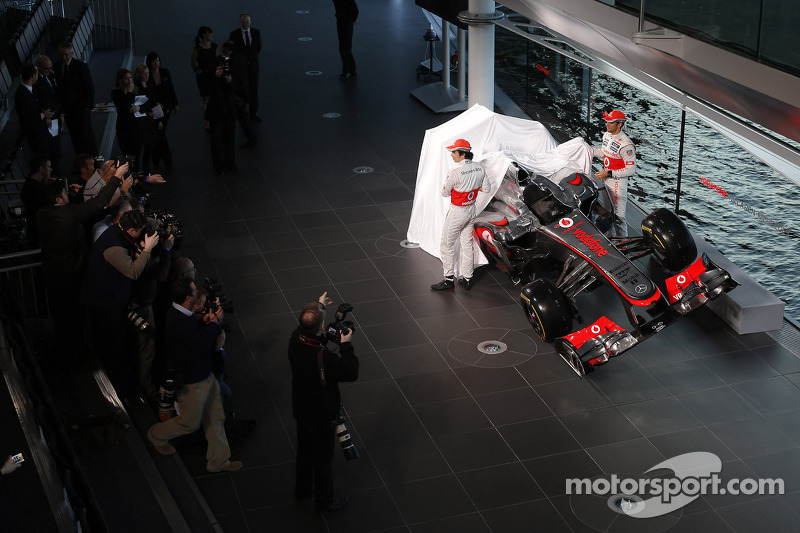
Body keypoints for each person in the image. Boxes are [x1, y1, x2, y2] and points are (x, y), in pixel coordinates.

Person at [147, 277, 243, 474]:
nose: (196, 292)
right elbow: (199, 346)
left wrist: (204, 322)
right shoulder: (179, 320)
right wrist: (215, 325)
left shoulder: (179, 312)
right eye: (193, 290)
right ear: (188, 297)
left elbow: (191, 338)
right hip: (193, 381)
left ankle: (218, 461)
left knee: (215, 418)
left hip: (203, 374)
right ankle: (155, 435)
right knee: (189, 423)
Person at [36, 166, 129, 360]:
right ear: (59, 200)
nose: (67, 194)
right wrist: (116, 178)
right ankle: (78, 355)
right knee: (74, 318)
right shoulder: (67, 215)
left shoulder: (42, 214)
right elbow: (100, 202)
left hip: (52, 275)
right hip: (71, 276)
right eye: (64, 193)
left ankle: (68, 350)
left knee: (62, 318)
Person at [289, 292, 359, 513]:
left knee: (304, 451)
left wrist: (319, 306)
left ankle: (302, 490)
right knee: (322, 459)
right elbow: (350, 372)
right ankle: (324, 501)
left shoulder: (295, 338)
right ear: (321, 328)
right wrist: (346, 345)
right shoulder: (323, 357)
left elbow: (308, 327)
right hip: (321, 414)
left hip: (301, 407)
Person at [81, 209, 159, 401]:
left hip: (112, 300)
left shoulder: (119, 230)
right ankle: (124, 392)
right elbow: (132, 272)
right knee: (115, 349)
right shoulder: (113, 246)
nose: (142, 235)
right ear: (131, 230)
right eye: (140, 231)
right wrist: (147, 249)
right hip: (105, 306)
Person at [431, 139, 490, 291]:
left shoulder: (455, 173)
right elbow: (487, 189)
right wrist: (471, 189)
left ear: (462, 154)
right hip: (471, 210)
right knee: (467, 244)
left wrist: (459, 189)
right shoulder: (479, 168)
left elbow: (444, 193)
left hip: (457, 212)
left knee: (446, 244)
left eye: (454, 152)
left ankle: (449, 280)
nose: (451, 155)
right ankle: (467, 279)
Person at [590, 109, 636, 237]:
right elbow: (605, 153)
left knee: (619, 217)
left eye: (610, 122)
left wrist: (608, 174)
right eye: (606, 122)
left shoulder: (626, 145)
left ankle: (624, 244)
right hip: (607, 180)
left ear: (619, 124)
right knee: (607, 213)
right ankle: (611, 239)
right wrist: (589, 150)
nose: (607, 124)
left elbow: (631, 170)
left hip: (618, 184)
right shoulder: (606, 135)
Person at [55, 41, 97, 155]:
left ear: (71, 53)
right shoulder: (57, 67)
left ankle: (94, 162)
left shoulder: (80, 66)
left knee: (87, 137)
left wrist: (88, 107)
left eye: (66, 55)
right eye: (61, 55)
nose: (63, 57)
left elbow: (89, 87)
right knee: (75, 137)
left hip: (81, 108)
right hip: (68, 110)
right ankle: (81, 162)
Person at [14, 63, 55, 159]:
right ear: (33, 76)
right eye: (37, 74)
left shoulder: (28, 90)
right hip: (34, 135)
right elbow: (28, 119)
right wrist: (43, 115)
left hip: (38, 130)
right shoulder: (22, 96)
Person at [221, 40, 257, 148]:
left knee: (240, 117)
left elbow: (232, 76)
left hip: (236, 92)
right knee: (243, 116)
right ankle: (251, 137)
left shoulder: (231, 60)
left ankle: (251, 137)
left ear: (227, 49)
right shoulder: (240, 58)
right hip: (243, 91)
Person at [146, 52, 179, 170]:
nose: (156, 64)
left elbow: (171, 88)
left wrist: (175, 103)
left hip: (166, 106)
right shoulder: (148, 76)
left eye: (158, 61)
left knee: (160, 133)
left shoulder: (165, 72)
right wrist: (155, 103)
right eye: (154, 61)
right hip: (155, 108)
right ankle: (165, 159)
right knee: (160, 133)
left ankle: (157, 159)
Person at [206, 56, 237, 176]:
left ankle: (230, 162)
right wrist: (216, 76)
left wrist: (230, 82)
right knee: (217, 140)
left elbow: (236, 88)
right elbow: (208, 89)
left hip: (228, 110)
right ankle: (218, 165)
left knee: (229, 139)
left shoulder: (230, 72)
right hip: (216, 112)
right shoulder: (212, 75)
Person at [228, 13, 261, 121]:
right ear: (240, 22)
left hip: (253, 67)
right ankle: (243, 111)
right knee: (242, 88)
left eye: (247, 22)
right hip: (241, 67)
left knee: (254, 89)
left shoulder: (256, 33)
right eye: (243, 22)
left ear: (250, 22)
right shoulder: (234, 35)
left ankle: (253, 111)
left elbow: (258, 47)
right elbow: (232, 50)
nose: (245, 24)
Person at [34, 54, 62, 168]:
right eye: (46, 68)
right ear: (38, 67)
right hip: (48, 119)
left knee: (57, 144)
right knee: (52, 149)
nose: (49, 70)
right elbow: (37, 102)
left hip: (56, 114)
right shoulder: (36, 81)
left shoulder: (51, 75)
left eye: (50, 68)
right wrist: (46, 117)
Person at [21, 153, 53, 246]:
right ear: (41, 169)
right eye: (49, 167)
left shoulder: (34, 184)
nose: (51, 169)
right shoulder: (32, 190)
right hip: (40, 234)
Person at [133, 64, 160, 174]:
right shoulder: (136, 88)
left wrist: (158, 119)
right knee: (142, 146)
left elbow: (153, 101)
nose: (147, 76)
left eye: (148, 73)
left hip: (149, 118)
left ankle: (146, 170)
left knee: (149, 145)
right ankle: (139, 170)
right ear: (139, 75)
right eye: (145, 74)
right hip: (141, 120)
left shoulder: (149, 84)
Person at [190, 26, 217, 130]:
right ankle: (207, 121)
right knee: (205, 98)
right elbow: (193, 63)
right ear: (204, 35)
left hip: (212, 76)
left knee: (212, 97)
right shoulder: (197, 49)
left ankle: (212, 117)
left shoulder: (214, 46)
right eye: (209, 33)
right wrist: (197, 71)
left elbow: (216, 61)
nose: (211, 35)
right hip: (203, 77)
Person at [111, 69, 141, 159]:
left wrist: (139, 108)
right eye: (126, 78)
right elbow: (123, 107)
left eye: (130, 78)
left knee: (137, 153)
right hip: (123, 127)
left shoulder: (135, 90)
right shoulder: (115, 93)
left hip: (134, 125)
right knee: (128, 154)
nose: (129, 80)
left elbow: (142, 103)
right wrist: (129, 93)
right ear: (120, 80)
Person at [332, 0, 359, 80]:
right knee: (345, 46)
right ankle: (352, 68)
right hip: (343, 20)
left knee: (344, 47)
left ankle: (346, 70)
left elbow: (355, 9)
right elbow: (355, 10)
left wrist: (352, 20)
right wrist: (353, 19)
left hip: (346, 21)